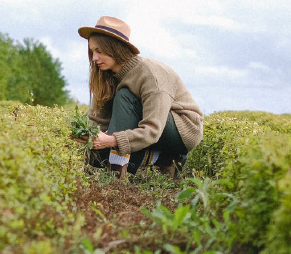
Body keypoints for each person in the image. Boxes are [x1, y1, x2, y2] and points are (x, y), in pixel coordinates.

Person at [74, 16, 203, 178]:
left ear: (115, 48)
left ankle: (116, 175)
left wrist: (112, 140)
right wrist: (83, 137)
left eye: (99, 51)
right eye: (92, 52)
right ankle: (162, 159)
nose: (94, 58)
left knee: (124, 95)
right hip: (150, 127)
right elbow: (97, 120)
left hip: (182, 130)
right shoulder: (109, 75)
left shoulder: (150, 75)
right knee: (96, 156)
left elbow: (152, 129)